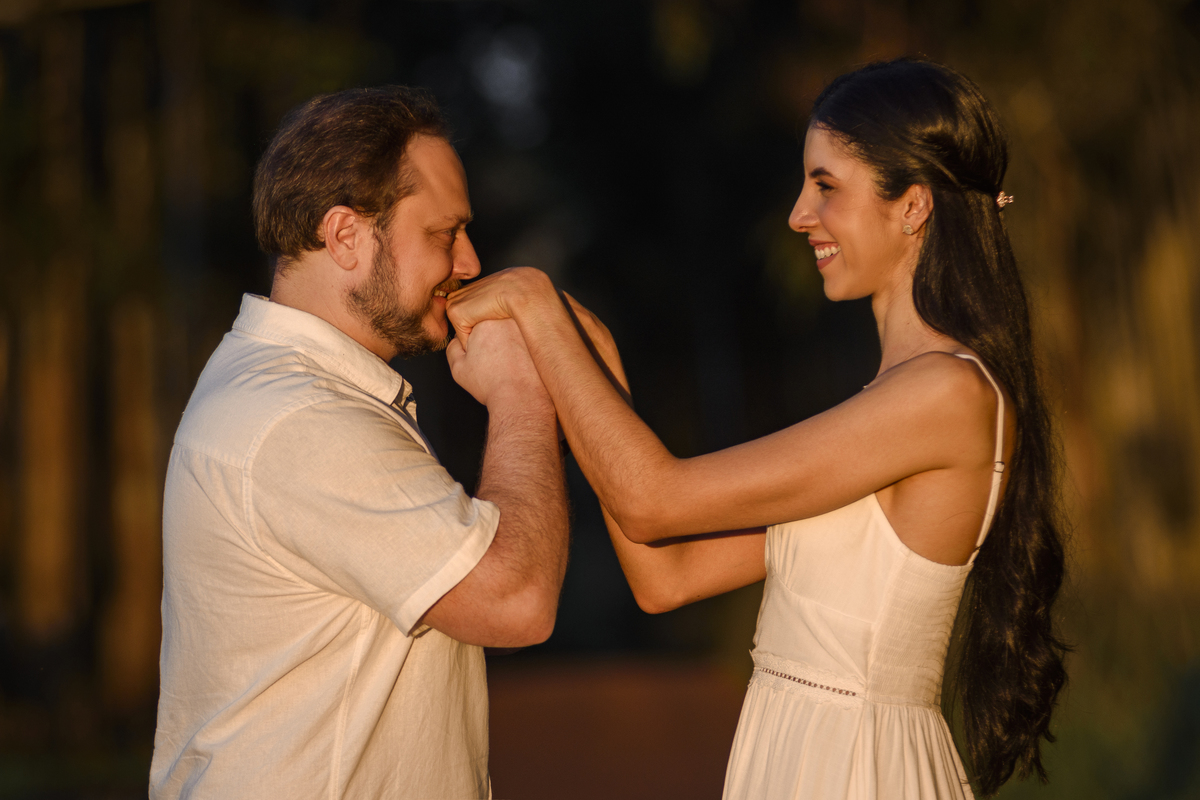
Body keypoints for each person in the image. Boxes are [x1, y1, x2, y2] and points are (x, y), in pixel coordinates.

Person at [445, 59, 1068, 799]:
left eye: (826, 186)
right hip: (806, 759)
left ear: (913, 206)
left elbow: (655, 499)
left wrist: (536, 304)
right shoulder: (893, 406)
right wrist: (597, 364)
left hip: (854, 771)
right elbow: (664, 575)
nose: (799, 214)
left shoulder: (946, 393)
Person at [151, 87, 569, 799]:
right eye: (444, 233)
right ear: (346, 236)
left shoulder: (288, 393)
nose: (469, 261)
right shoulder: (298, 418)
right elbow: (515, 600)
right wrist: (521, 392)